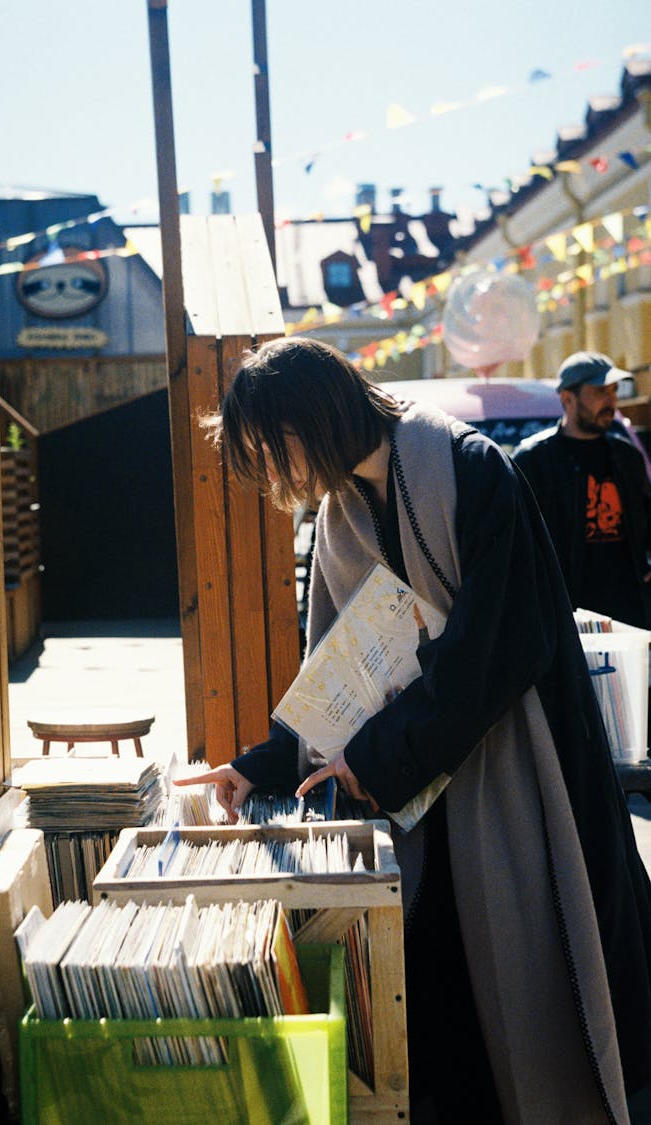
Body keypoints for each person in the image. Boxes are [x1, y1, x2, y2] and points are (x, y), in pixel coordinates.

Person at [176, 335, 651, 1123]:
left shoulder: (463, 465)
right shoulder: (342, 513)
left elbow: (496, 648)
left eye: (274, 451)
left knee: (540, 977)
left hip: (524, 773)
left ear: (316, 417)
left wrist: (377, 760)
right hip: (429, 787)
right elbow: (339, 679)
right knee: (457, 1001)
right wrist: (256, 767)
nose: (276, 478)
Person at [512, 350, 651, 629]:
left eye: (613, 391)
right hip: (568, 614)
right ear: (567, 398)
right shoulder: (533, 460)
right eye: (600, 391)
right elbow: (517, 542)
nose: (611, 400)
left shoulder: (626, 455)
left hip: (630, 611)